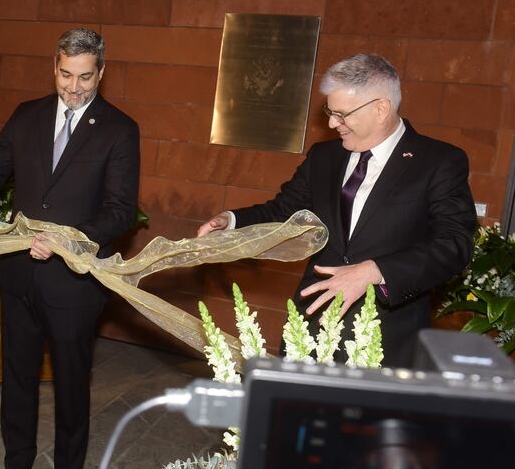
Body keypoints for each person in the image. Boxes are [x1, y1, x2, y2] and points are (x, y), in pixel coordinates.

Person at [0, 28, 140, 469]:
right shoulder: (27, 116)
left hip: (74, 282)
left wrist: (67, 239)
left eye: (85, 77)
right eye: (66, 75)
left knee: (70, 386)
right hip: (19, 275)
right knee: (18, 380)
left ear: (100, 73)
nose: (74, 87)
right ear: (55, 66)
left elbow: (120, 212)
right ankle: (17, 463)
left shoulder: (120, 130)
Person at [197, 54, 476, 368]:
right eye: (330, 112)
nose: (331, 124)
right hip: (311, 326)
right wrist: (233, 221)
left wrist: (375, 270)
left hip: (387, 337)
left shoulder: (438, 162)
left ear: (381, 109)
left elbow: (454, 245)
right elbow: (286, 210)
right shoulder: (324, 157)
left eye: (342, 115)